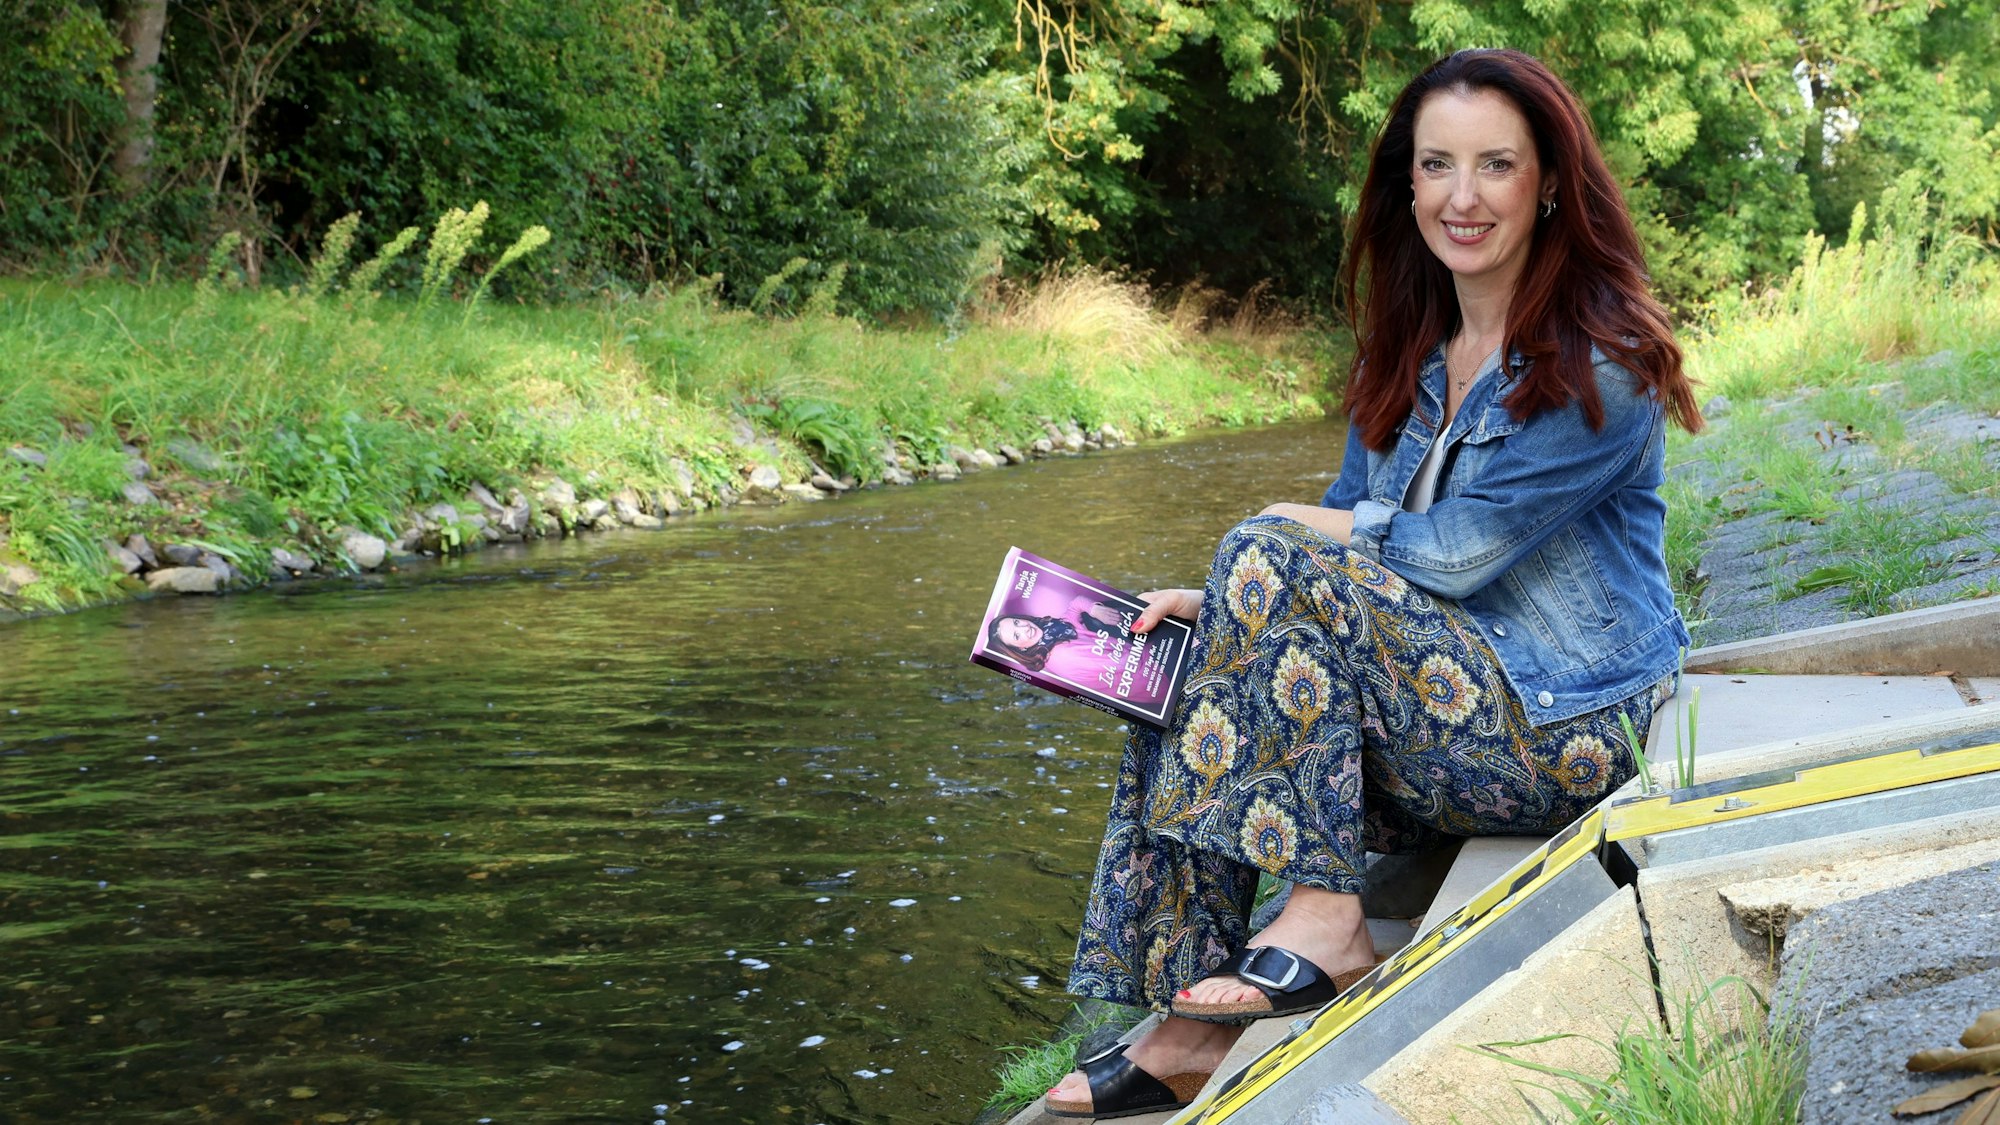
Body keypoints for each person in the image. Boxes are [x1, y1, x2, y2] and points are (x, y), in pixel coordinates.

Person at [1043, 47, 1704, 1119]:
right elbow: (1340, 578)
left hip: (1565, 728)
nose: (1461, 196)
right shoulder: (1405, 357)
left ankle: (1321, 919)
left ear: (1546, 184)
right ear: (1405, 184)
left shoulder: (1604, 362)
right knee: (1182, 660)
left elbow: (1449, 555)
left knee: (1268, 544)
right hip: (1429, 729)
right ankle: (1179, 1022)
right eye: (1435, 165)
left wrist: (1283, 540)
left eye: (1494, 165)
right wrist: (1220, 612)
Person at [986, 598, 1134, 685]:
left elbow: (1075, 604)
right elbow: (1128, 665)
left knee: (1092, 615)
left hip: (1136, 654)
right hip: (1146, 676)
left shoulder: (1053, 631)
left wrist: (1093, 608)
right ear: (1020, 649)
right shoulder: (1064, 655)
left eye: (1017, 622)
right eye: (1016, 636)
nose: (1024, 627)